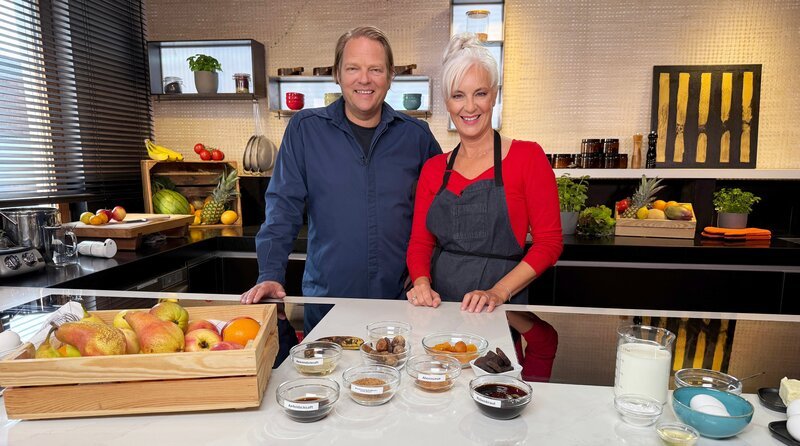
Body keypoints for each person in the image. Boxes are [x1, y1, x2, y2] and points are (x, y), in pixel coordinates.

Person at [241, 26, 442, 342]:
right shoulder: (305, 131)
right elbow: (282, 210)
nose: (364, 79)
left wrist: (428, 278)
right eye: (353, 68)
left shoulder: (416, 137)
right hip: (327, 304)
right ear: (337, 74)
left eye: (375, 69)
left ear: (390, 76)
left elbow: (442, 213)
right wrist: (270, 274)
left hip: (401, 306)